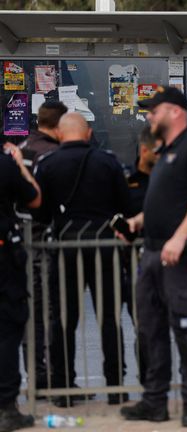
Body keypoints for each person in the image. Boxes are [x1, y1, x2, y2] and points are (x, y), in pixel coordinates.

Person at [120, 85, 187, 428]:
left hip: (179, 255)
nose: (149, 116)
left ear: (174, 112)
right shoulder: (167, 151)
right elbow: (167, 202)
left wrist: (179, 238)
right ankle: (154, 402)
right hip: (152, 252)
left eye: (154, 110)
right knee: (151, 330)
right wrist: (137, 221)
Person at [33, 112, 131, 407]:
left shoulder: (48, 165)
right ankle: (115, 386)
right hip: (104, 246)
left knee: (63, 320)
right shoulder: (108, 162)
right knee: (110, 320)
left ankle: (64, 388)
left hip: (65, 248)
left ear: (60, 135)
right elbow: (124, 205)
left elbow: (41, 213)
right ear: (88, 133)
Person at [16, 100, 68, 391]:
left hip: (23, 240)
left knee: (30, 314)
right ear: (59, 126)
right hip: (46, 241)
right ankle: (51, 377)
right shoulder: (52, 155)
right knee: (49, 312)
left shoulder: (20, 149)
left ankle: (35, 374)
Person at [0, 142, 41, 432]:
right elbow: (34, 199)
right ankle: (7, 408)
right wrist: (20, 167)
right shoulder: (4, 165)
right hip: (3, 260)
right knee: (7, 330)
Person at [120, 124, 161, 387]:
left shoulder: (169, 180)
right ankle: (150, 385)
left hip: (170, 261)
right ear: (144, 150)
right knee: (145, 328)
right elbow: (116, 218)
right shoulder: (126, 181)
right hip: (136, 265)